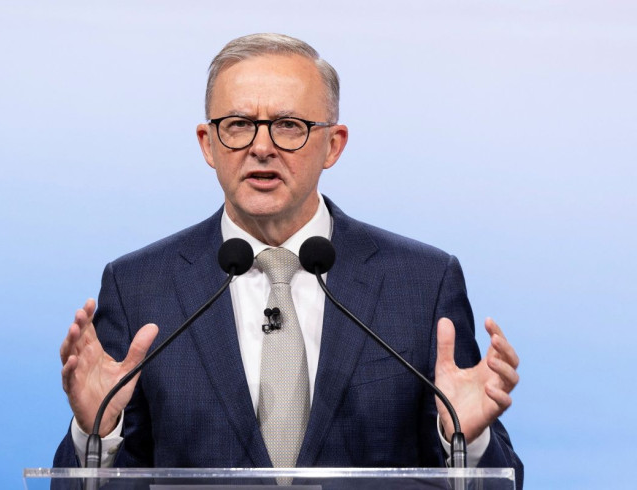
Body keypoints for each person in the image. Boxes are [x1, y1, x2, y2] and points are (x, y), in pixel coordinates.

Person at [55, 33, 523, 487]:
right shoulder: (139, 286)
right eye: (238, 124)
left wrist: (467, 437)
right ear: (207, 143)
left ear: (333, 145)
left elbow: (501, 481)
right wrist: (95, 434)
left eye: (288, 125)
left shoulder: (421, 282)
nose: (261, 147)